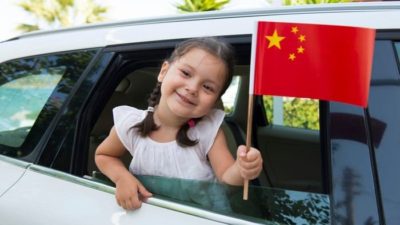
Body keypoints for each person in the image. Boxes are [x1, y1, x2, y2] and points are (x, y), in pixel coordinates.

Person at [95, 37, 263, 210]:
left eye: (207, 87)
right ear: (164, 71)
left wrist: (241, 170)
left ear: (214, 101)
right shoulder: (131, 124)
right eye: (186, 73)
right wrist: (122, 178)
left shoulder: (208, 131)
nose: (192, 88)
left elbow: (226, 179)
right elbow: (104, 155)